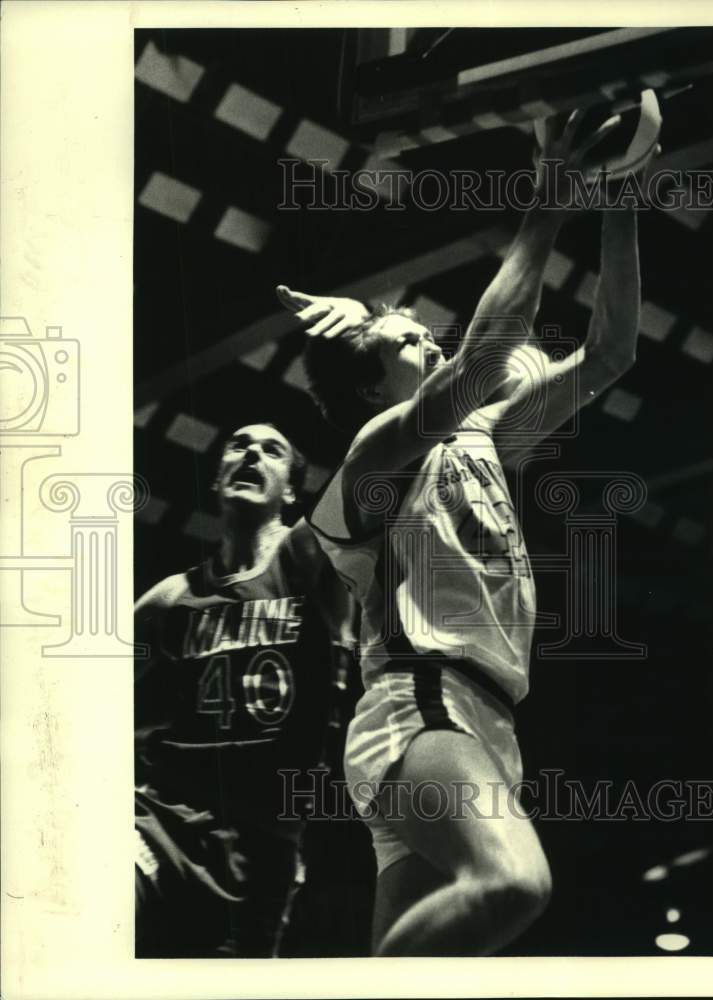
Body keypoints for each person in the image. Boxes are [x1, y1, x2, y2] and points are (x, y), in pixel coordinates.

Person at [277, 109, 649, 955]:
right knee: (513, 883)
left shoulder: (484, 438)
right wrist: (549, 200)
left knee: (422, 967)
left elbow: (612, 352)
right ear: (370, 388)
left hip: (488, 719)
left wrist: (621, 198)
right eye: (408, 338)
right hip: (424, 700)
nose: (428, 336)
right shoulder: (377, 454)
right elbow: (483, 361)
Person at [134, 422, 354, 957]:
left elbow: (373, 470)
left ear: (292, 490)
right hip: (161, 816)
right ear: (217, 479)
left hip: (261, 846)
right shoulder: (173, 596)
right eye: (239, 445)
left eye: (272, 450)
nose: (252, 452)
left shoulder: (311, 558)